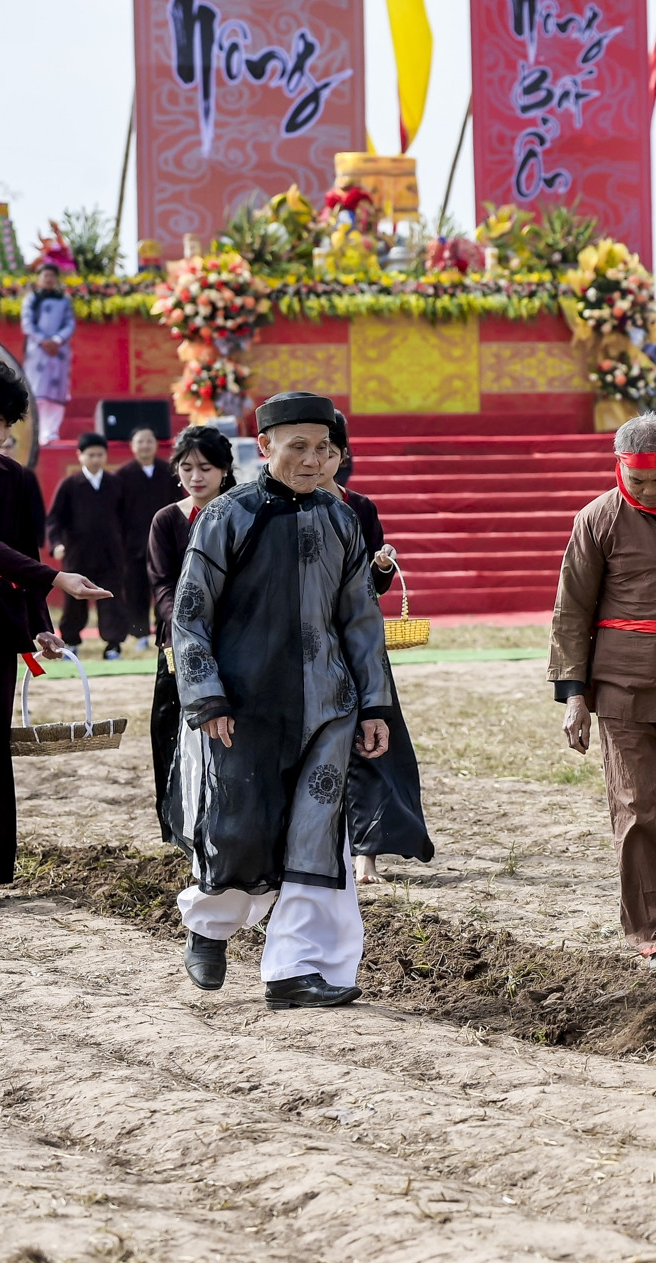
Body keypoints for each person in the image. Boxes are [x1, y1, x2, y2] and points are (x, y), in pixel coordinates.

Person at [170, 391, 393, 1009]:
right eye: (297, 446)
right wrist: (207, 697)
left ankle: (296, 968)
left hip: (329, 708)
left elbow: (361, 620)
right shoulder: (226, 516)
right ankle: (209, 923)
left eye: (324, 449)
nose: (313, 460)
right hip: (240, 709)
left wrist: (373, 705)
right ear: (263, 447)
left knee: (318, 835)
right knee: (239, 828)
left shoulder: (343, 519)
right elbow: (189, 618)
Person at [550, 413, 656, 970]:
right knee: (635, 805)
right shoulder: (595, 519)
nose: (648, 492)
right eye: (637, 480)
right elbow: (572, 611)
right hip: (622, 688)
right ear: (618, 467)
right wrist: (575, 696)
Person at [0, 363, 112, 884]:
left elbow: (23, 556)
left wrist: (42, 622)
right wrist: (58, 576)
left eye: (6, 421)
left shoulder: (18, 480)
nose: (2, 433)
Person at [317, 414, 430, 884]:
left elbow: (371, 589)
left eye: (329, 450)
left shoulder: (360, 506)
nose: (319, 459)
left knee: (372, 741)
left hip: (357, 645)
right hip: (301, 645)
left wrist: (382, 567)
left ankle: (367, 853)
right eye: (309, 449)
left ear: (341, 456)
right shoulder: (272, 509)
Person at [147, 425, 236, 845]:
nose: (195, 476)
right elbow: (162, 584)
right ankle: (176, 828)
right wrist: (183, 630)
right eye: (186, 467)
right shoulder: (167, 520)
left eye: (205, 467)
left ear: (224, 469)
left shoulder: (242, 512)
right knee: (169, 727)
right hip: (178, 646)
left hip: (236, 641)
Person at [46, 432, 129, 657]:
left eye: (100, 454)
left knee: (111, 599)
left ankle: (113, 646)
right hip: (77, 554)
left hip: (110, 555)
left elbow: (126, 519)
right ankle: (71, 642)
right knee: (74, 601)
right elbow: (54, 519)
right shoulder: (70, 485)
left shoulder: (115, 483)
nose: (95, 459)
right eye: (90, 454)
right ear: (79, 456)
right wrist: (56, 544)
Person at [117, 425, 182, 651]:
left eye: (149, 441)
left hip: (165, 543)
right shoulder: (122, 476)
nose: (145, 445)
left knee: (164, 589)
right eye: (140, 441)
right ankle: (140, 634)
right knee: (136, 591)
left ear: (156, 445)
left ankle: (164, 632)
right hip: (133, 545)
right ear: (132, 447)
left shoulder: (169, 472)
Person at [21, 265, 74, 446]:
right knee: (37, 391)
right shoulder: (32, 299)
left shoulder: (64, 300)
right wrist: (44, 340)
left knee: (57, 392)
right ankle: (37, 431)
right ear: (39, 278)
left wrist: (57, 340)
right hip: (38, 351)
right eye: (46, 275)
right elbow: (27, 323)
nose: (49, 278)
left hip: (58, 352)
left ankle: (51, 431)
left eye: (52, 275)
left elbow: (69, 323)